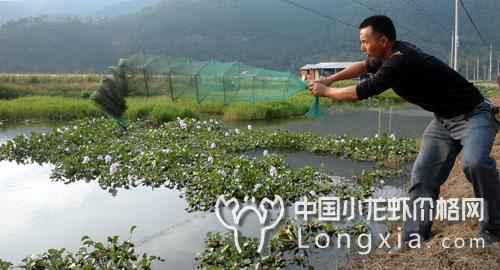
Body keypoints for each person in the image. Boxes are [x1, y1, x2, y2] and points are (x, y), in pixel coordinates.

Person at [309, 15, 500, 248]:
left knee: (475, 163)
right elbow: (362, 67)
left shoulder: (399, 61)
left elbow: (359, 92)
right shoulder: (387, 55)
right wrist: (330, 79)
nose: (363, 47)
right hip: (443, 121)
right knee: (422, 175)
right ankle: (414, 236)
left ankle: (492, 228)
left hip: (474, 115)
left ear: (383, 40)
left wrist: (325, 92)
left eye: (365, 42)